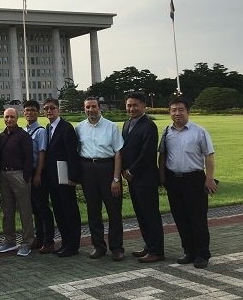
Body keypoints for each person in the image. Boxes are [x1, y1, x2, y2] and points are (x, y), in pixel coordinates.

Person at [159, 97, 217, 269]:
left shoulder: (199, 132)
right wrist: (162, 176)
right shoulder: (166, 132)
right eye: (173, 110)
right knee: (180, 217)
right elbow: (162, 155)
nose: (177, 113)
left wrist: (209, 177)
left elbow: (209, 155)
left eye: (181, 110)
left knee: (197, 218)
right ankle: (188, 251)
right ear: (169, 112)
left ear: (188, 112)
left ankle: (202, 254)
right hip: (173, 180)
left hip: (194, 179)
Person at [75, 97, 124, 261]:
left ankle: (116, 248)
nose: (91, 110)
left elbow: (118, 152)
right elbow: (77, 151)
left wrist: (116, 179)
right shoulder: (79, 128)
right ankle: (99, 246)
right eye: (87, 107)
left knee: (114, 211)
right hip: (88, 169)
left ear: (100, 107)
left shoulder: (111, 126)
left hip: (107, 168)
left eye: (93, 107)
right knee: (93, 210)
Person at [121, 92, 165, 263]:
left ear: (143, 106)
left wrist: (131, 171)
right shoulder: (127, 124)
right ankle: (149, 245)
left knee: (151, 215)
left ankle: (157, 251)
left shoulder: (149, 126)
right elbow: (124, 150)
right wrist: (124, 169)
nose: (131, 108)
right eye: (129, 105)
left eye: (135, 105)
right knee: (141, 214)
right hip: (132, 178)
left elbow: (147, 154)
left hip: (145, 178)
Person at [42, 98, 81, 257]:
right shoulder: (48, 128)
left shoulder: (66, 128)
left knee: (69, 210)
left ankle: (73, 245)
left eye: (52, 108)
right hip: (53, 177)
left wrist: (73, 176)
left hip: (65, 177)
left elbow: (72, 154)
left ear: (59, 110)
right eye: (46, 109)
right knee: (59, 211)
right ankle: (65, 242)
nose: (49, 111)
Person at [0, 107, 35, 256]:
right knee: (7, 210)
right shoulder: (2, 136)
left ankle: (27, 242)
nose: (9, 120)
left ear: (17, 118)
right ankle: (9, 241)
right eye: (7, 117)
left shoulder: (23, 136)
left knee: (25, 211)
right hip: (4, 175)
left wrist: (26, 177)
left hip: (19, 174)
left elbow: (29, 158)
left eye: (12, 117)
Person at [23, 100, 55, 254]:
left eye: (32, 110)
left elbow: (42, 153)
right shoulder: (25, 130)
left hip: (39, 173)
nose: (29, 113)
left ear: (38, 113)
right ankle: (39, 237)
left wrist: (38, 175)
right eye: (27, 110)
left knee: (43, 207)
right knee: (34, 208)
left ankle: (49, 240)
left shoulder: (40, 131)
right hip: (28, 173)